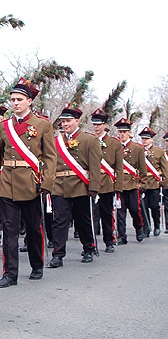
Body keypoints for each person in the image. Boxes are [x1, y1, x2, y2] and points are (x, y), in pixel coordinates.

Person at [0, 78, 56, 287]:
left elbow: (50, 157)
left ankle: (37, 265)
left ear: (29, 101)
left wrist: (47, 182)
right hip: (7, 183)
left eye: (20, 99)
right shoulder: (4, 126)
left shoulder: (42, 125)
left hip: (32, 183)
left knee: (33, 227)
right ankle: (10, 273)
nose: (15, 103)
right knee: (9, 230)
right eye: (12, 99)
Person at [49, 105, 101, 267]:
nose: (65, 124)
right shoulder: (55, 141)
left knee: (83, 218)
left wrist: (94, 187)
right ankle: (58, 254)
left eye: (68, 121)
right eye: (63, 122)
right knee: (59, 221)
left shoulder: (89, 140)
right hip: (59, 185)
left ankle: (88, 248)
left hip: (80, 185)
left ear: (77, 121)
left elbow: (94, 166)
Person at [90, 109, 123, 253]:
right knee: (91, 215)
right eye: (94, 125)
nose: (96, 127)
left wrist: (118, 186)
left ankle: (109, 240)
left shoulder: (114, 143)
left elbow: (119, 167)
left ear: (105, 125)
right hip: (91, 183)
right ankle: (91, 243)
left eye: (99, 124)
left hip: (107, 183)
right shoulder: (89, 140)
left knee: (106, 214)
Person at [114, 118, 147, 245]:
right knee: (120, 212)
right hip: (119, 184)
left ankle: (139, 227)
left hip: (133, 184)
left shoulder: (137, 148)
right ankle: (122, 236)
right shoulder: (115, 146)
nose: (122, 134)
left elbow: (142, 168)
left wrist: (143, 183)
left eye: (124, 132)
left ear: (129, 133)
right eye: (120, 132)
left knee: (134, 209)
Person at [138, 127, 168, 237]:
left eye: (147, 138)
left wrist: (164, 182)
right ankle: (146, 227)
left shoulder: (159, 152)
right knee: (143, 207)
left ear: (152, 139)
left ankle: (157, 225)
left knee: (154, 206)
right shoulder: (138, 151)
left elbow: (165, 168)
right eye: (143, 138)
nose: (144, 140)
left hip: (155, 183)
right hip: (143, 184)